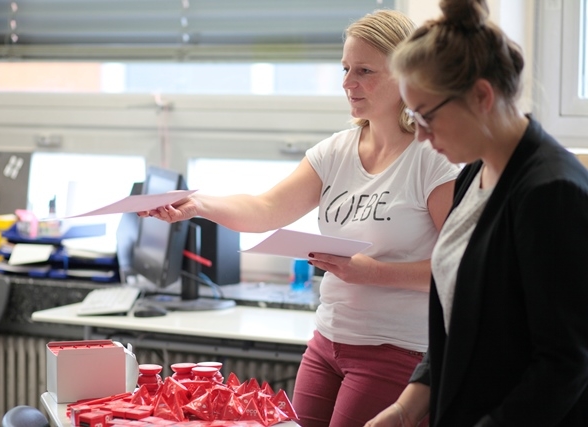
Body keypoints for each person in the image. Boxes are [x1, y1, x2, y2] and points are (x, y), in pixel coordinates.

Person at [140, 9, 460, 427]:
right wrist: (199, 205)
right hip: (327, 343)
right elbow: (266, 209)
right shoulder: (336, 151)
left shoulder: (433, 159)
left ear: (406, 76)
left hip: (397, 349)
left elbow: (459, 271)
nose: (348, 83)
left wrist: (373, 273)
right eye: (345, 69)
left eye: (364, 71)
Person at [365, 1, 588, 426]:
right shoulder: (473, 173)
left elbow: (565, 363)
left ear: (482, 96)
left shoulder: (552, 192)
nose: (421, 135)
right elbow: (461, 320)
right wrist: (405, 409)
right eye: (413, 117)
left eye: (427, 116)